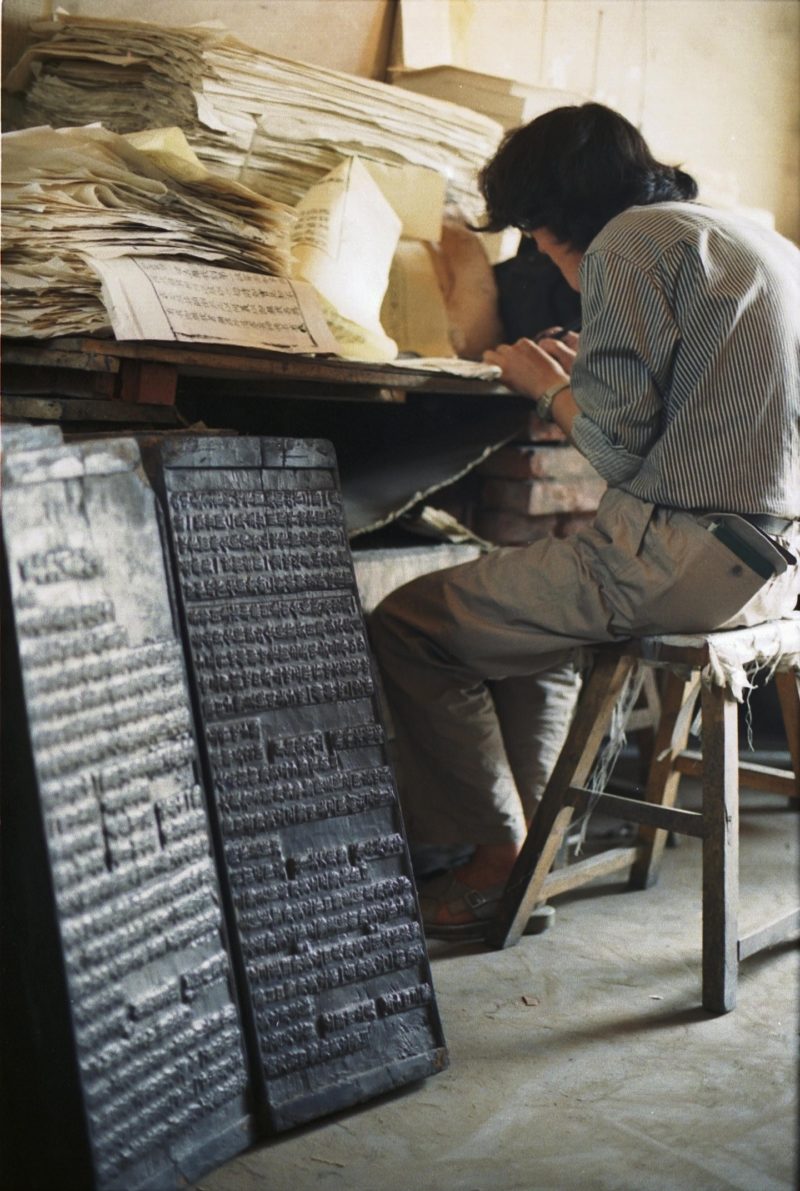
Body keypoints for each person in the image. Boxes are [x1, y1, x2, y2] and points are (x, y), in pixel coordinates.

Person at [369, 102, 800, 941]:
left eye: (531, 232)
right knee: (528, 629)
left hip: (687, 559)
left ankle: (496, 863)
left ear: (544, 222)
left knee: (409, 624)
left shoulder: (627, 244)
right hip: (776, 562)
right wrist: (581, 386)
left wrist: (545, 387)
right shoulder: (750, 239)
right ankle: (531, 853)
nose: (535, 251)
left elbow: (619, 450)